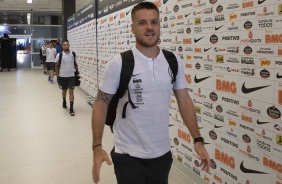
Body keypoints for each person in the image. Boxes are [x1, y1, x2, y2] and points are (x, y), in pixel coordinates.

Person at [91, 2, 210, 184]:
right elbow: (101, 103)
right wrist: (97, 146)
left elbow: (184, 100)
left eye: (154, 22)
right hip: (128, 155)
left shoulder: (173, 61)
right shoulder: (119, 63)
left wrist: (197, 139)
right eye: (142, 22)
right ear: (132, 28)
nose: (149, 27)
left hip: (162, 155)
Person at [55, 40, 79, 116]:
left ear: (69, 45)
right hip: (62, 76)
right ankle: (64, 101)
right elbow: (56, 66)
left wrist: (77, 72)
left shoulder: (73, 54)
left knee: (71, 92)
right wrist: (58, 76)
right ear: (62, 46)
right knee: (64, 91)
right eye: (64, 45)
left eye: (67, 45)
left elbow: (75, 64)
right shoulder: (59, 55)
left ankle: (71, 108)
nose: (66, 46)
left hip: (71, 76)